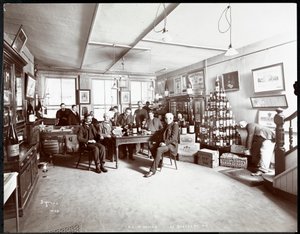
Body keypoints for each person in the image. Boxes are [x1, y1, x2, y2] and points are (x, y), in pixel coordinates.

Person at [144, 113, 179, 178]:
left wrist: (165, 143)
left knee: (159, 149)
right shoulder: (166, 125)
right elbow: (159, 131)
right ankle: (159, 161)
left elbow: (173, 138)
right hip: (164, 143)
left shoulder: (175, 125)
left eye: (166, 118)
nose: (165, 120)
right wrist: (150, 132)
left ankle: (152, 170)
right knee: (151, 146)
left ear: (171, 118)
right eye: (165, 118)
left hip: (171, 145)